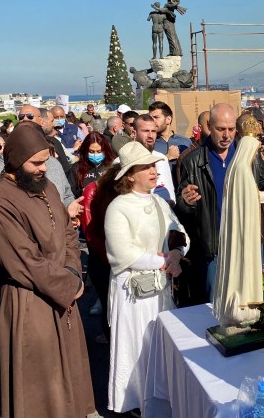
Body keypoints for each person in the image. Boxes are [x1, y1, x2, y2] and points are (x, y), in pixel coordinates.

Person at [0, 122, 95, 418]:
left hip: (62, 290)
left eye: (46, 161)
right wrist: (69, 285)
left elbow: (68, 233)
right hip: (29, 303)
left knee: (67, 377)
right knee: (41, 388)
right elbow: (24, 262)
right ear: (16, 161)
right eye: (37, 163)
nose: (44, 168)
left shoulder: (47, 186)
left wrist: (72, 271)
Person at [102, 142, 187, 414]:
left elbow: (181, 233)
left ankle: (159, 401)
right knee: (136, 347)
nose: (153, 170)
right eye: (146, 167)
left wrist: (176, 253)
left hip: (160, 290)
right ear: (129, 175)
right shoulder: (118, 207)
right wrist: (166, 260)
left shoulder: (160, 202)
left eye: (154, 165)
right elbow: (122, 252)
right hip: (133, 295)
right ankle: (135, 402)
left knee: (159, 348)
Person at [214, 117, 264, 328]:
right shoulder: (242, 170)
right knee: (242, 266)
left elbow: (247, 195)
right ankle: (241, 308)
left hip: (238, 227)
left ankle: (238, 306)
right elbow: (251, 198)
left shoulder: (235, 166)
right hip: (243, 230)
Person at [175, 104, 238, 305]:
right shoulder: (193, 161)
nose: (227, 135)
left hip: (244, 246)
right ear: (209, 126)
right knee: (214, 307)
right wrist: (185, 202)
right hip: (213, 250)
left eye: (231, 129)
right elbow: (183, 209)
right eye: (221, 129)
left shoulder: (248, 156)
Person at [66, 131, 116, 198]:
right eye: (91, 151)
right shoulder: (76, 168)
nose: (95, 155)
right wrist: (82, 192)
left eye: (99, 151)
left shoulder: (112, 167)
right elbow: (70, 191)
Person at [149, 101, 191, 172]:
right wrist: (167, 157)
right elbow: (146, 170)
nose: (152, 121)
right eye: (150, 118)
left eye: (156, 117)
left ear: (168, 119)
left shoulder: (186, 142)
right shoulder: (149, 144)